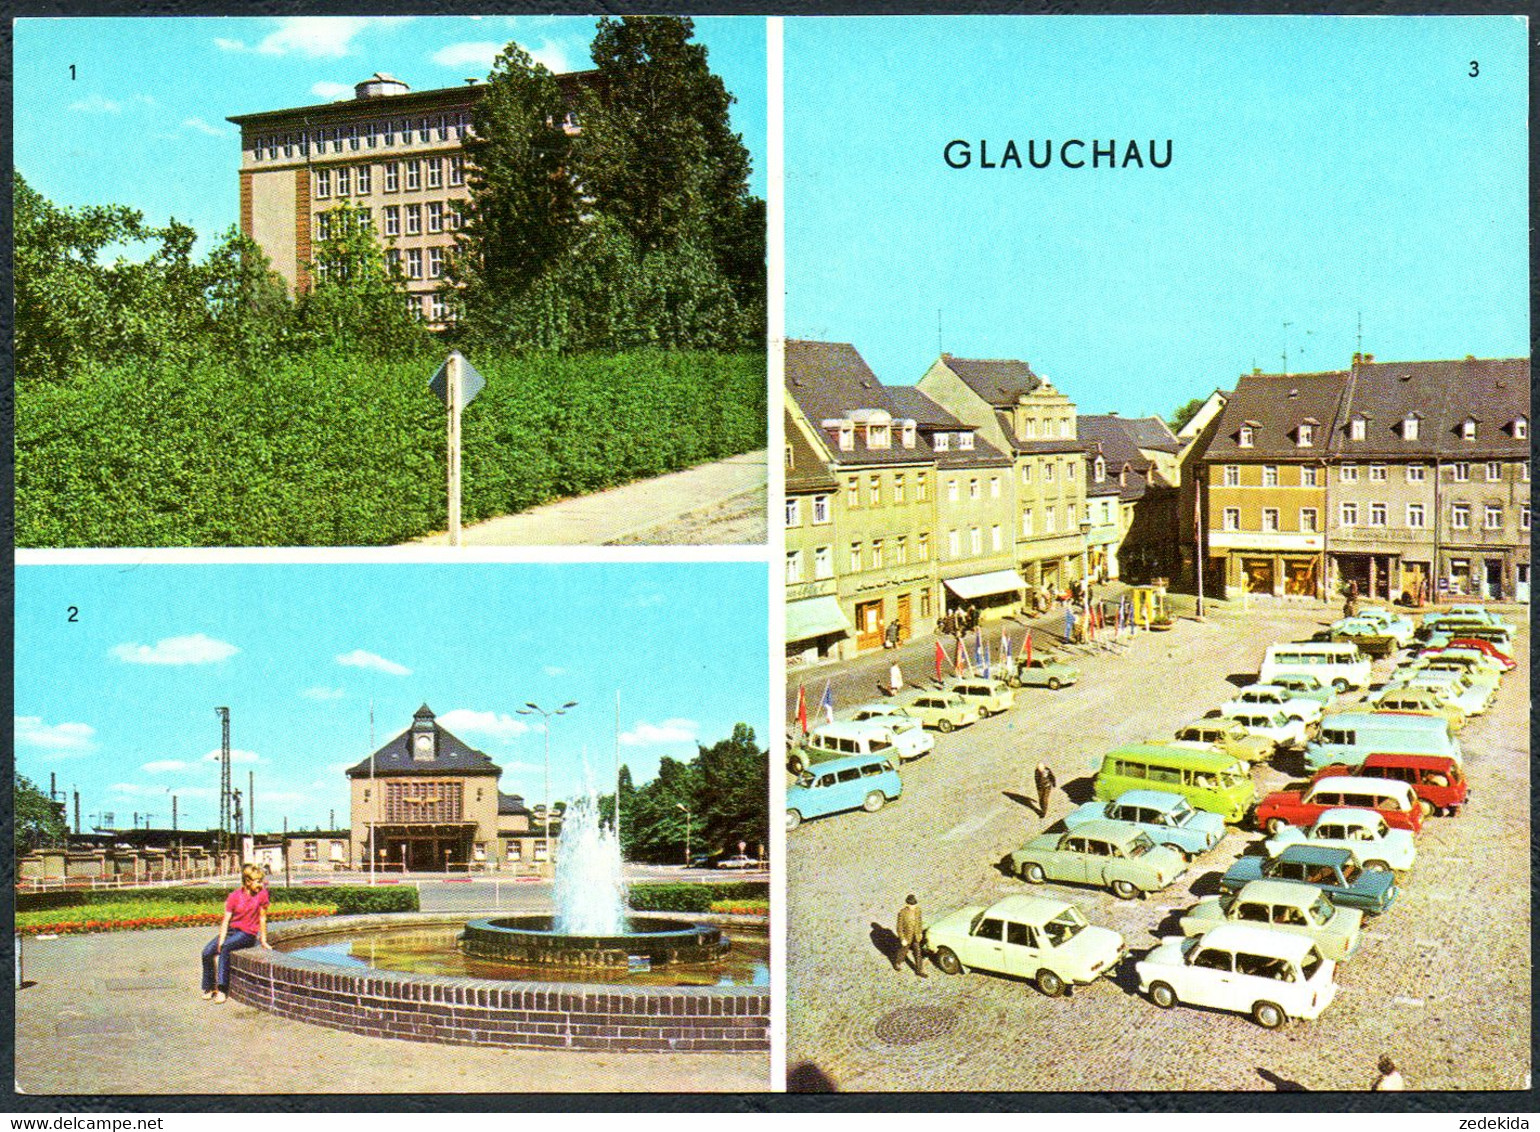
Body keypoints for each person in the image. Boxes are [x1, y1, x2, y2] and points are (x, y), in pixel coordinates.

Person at [201, 863, 271, 1003]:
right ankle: (209, 986)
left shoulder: (262, 895)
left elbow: (262, 917)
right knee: (207, 952)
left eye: (261, 881)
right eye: (258, 882)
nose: (261, 885)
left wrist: (263, 940)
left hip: (247, 934)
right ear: (248, 881)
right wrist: (221, 939)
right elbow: (226, 920)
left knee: (226, 947)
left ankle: (222, 989)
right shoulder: (234, 896)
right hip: (232, 931)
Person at [894, 894, 925, 977]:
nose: (913, 906)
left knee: (918, 952)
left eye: (915, 904)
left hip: (916, 935)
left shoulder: (918, 910)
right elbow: (899, 927)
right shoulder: (902, 913)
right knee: (903, 951)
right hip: (907, 937)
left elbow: (919, 922)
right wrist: (902, 939)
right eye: (912, 905)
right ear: (907, 904)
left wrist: (920, 932)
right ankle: (897, 962)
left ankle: (919, 970)